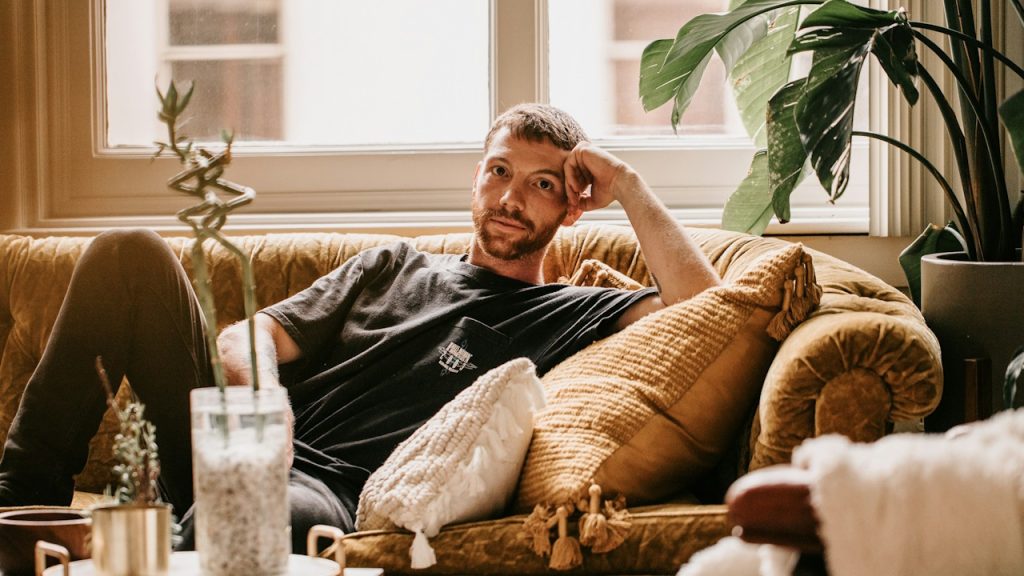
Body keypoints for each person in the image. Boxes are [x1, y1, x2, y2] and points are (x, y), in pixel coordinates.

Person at [0, 104, 720, 550]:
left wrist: (625, 182)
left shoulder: (570, 312)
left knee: (265, 516)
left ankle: (177, 541)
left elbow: (708, 312)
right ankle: (14, 504)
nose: (509, 197)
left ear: (570, 209)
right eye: (497, 171)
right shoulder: (389, 265)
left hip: (327, 493)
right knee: (129, 255)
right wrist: (264, 404)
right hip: (239, 441)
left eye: (540, 184)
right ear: (474, 179)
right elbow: (239, 341)